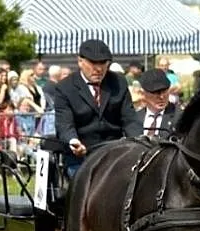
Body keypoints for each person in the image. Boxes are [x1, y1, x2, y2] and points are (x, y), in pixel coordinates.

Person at [55, 39, 142, 177]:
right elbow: (64, 125)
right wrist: (74, 142)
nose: (99, 69)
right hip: (81, 157)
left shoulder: (118, 82)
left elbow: (129, 119)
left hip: (115, 154)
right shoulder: (64, 88)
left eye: (103, 63)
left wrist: (140, 141)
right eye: (93, 63)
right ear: (80, 61)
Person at [137, 69, 180, 139]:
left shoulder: (178, 117)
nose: (161, 96)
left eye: (164, 91)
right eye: (156, 92)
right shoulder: (135, 119)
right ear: (143, 93)